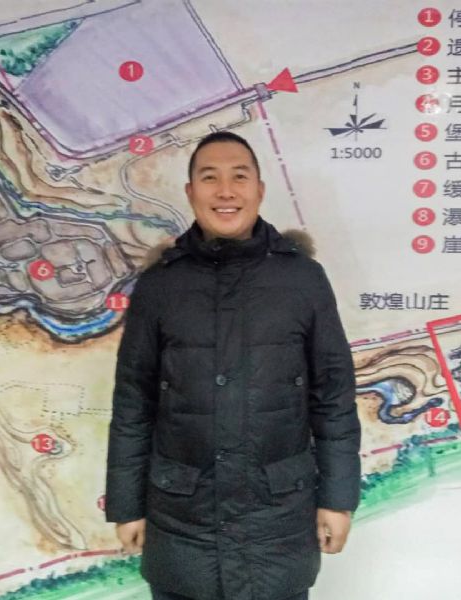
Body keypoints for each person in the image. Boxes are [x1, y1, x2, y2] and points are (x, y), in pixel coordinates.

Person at [105, 131, 360, 600]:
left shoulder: (304, 280)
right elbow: (133, 403)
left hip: (277, 522)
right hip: (182, 523)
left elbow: (334, 397)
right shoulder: (160, 286)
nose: (225, 191)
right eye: (210, 178)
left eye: (239, 177)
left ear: (259, 189)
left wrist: (338, 500)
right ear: (190, 192)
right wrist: (127, 506)